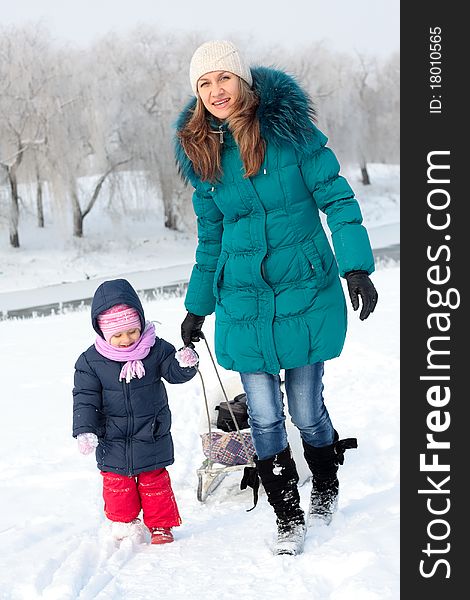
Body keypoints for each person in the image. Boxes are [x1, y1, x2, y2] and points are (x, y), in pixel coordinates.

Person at [175, 40, 378, 556]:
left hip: (304, 291)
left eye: (223, 78)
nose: (216, 91)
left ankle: (326, 484)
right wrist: (197, 306)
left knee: (307, 412)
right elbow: (210, 240)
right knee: (264, 416)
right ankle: (287, 514)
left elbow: (337, 197)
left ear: (242, 81)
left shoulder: (291, 134)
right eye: (204, 83)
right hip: (243, 303)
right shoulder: (204, 155)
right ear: (198, 94)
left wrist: (356, 266)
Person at [72, 278, 199, 545]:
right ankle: (123, 523)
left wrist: (184, 363)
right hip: (112, 436)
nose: (126, 339)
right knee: (118, 484)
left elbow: (173, 373)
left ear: (141, 323)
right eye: (117, 335)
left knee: (155, 482)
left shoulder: (155, 349)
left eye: (132, 331)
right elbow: (85, 397)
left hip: (150, 431)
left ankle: (162, 526)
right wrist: (85, 429)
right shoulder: (90, 361)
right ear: (104, 333)